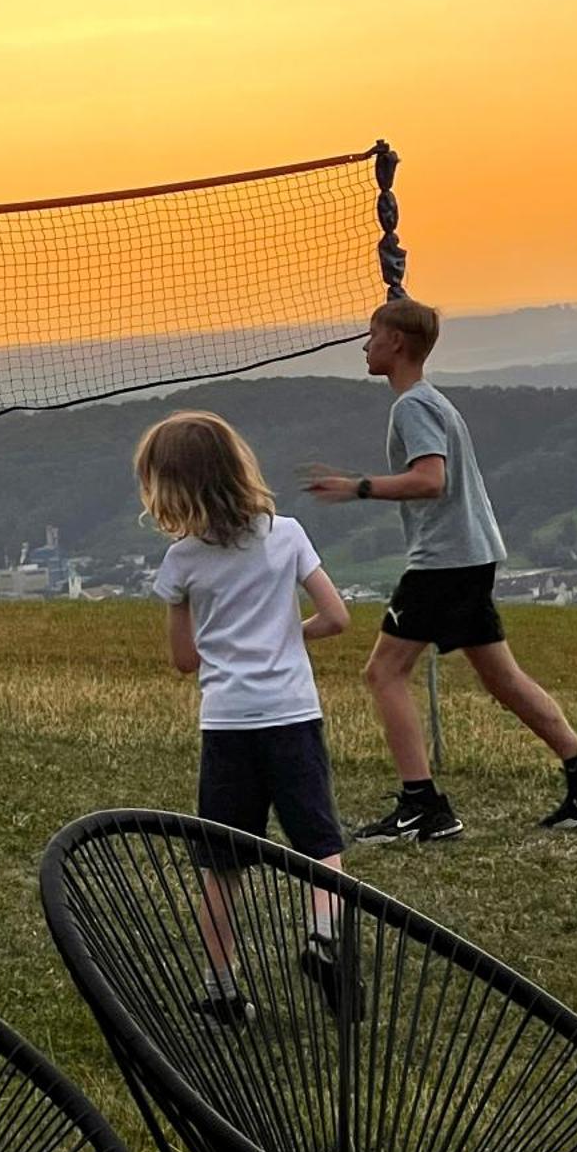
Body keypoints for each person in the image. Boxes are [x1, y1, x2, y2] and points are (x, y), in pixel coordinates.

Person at [306, 299, 577, 841]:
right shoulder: (431, 401)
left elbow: (430, 480)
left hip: (445, 560)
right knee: (501, 678)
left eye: (372, 335)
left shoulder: (411, 406)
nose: (364, 345)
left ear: (397, 345)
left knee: (384, 673)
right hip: (472, 554)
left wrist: (357, 486)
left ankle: (422, 805)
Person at [137, 410, 356, 1020]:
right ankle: (323, 937)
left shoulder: (181, 560)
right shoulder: (286, 534)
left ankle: (221, 987)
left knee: (222, 860)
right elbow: (338, 618)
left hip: (228, 721)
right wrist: (287, 636)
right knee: (320, 842)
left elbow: (184, 659)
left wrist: (230, 647)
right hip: (291, 712)